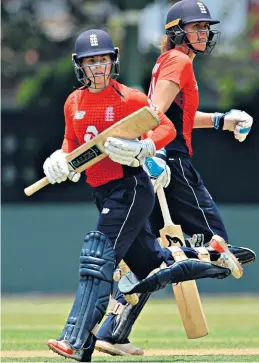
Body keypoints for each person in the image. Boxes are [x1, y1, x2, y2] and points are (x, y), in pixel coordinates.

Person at [45, 28, 240, 362]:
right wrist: (61, 161)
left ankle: (76, 341)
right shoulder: (73, 102)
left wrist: (145, 148)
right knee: (149, 267)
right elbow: (72, 145)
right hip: (102, 192)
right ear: (80, 65)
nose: (98, 68)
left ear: (113, 61)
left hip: (131, 190)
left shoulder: (130, 99)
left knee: (98, 256)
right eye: (91, 62)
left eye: (103, 60)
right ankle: (203, 256)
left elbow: (166, 127)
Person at [95, 0, 256, 357]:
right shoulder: (178, 61)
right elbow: (153, 114)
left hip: (163, 160)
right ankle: (173, 257)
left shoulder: (171, 62)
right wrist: (156, 151)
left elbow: (175, 114)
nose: (204, 32)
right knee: (223, 252)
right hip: (175, 165)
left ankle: (112, 331)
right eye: (196, 27)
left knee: (145, 260)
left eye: (205, 27)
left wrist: (220, 120)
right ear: (176, 32)